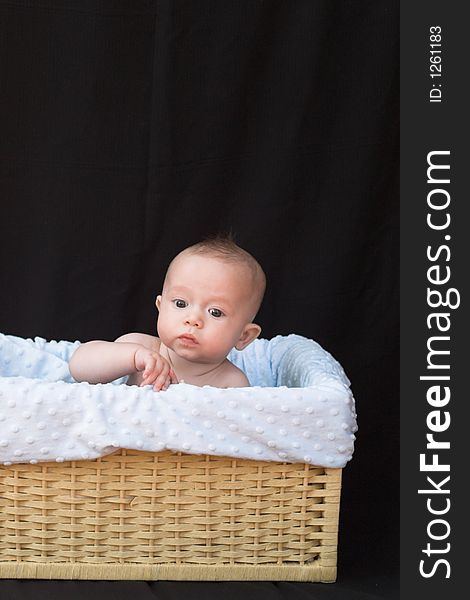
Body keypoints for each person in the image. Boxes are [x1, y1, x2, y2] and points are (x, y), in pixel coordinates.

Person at [69, 237, 266, 390]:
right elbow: (78, 368)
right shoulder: (139, 347)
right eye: (181, 303)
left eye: (215, 312)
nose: (193, 320)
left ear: (243, 336)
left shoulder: (231, 383)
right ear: (160, 307)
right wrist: (133, 358)